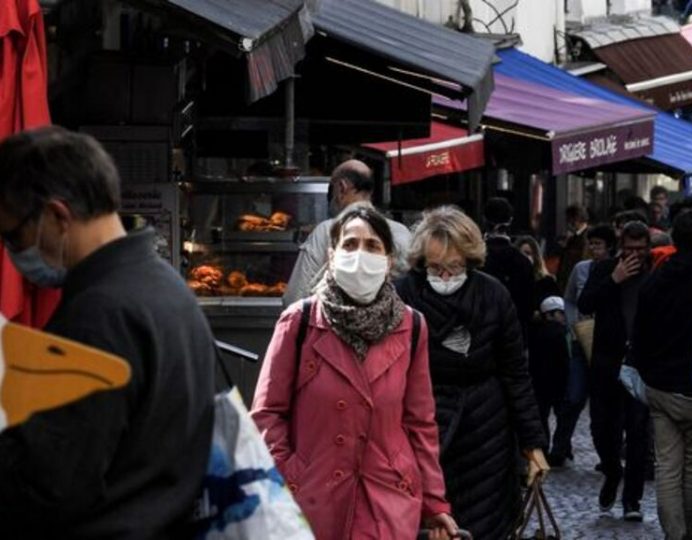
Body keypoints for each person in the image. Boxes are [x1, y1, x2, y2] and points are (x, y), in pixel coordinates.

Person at [0, 126, 216, 537]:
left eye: (13, 235)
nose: (12, 251)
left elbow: (51, 486)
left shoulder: (99, 316)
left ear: (57, 216)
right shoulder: (165, 287)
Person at [252, 205, 457, 540]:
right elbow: (267, 413)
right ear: (332, 256)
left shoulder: (411, 326)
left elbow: (420, 423)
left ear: (389, 260)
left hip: (386, 502)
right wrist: (288, 476)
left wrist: (435, 505)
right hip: (311, 501)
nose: (360, 254)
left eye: (372, 246)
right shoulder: (299, 321)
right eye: (350, 244)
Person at [396, 206, 548, 540]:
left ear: (469, 260)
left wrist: (532, 445)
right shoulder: (403, 295)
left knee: (485, 526)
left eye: (454, 267)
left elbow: (515, 373)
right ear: (422, 263)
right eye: (437, 268)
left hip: (487, 433)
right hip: (424, 430)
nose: (446, 277)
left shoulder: (493, 294)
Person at [631, 209, 692, 540]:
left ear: (675, 237)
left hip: (661, 387)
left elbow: (639, 335)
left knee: (668, 469)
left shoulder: (655, 280)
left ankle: (676, 534)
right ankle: (685, 532)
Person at [578, 221, 652, 521]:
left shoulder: (654, 273)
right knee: (601, 428)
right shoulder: (604, 269)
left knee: (637, 433)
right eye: (629, 249)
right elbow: (585, 303)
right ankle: (611, 470)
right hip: (606, 363)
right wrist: (614, 279)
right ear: (621, 247)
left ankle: (632, 500)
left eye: (640, 249)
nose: (635, 254)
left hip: (638, 364)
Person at [283, 159, 411, 305]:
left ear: (341, 187)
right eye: (350, 245)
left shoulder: (326, 231)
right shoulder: (401, 232)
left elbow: (294, 298)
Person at [550, 224, 616, 466]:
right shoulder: (581, 270)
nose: (593, 249)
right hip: (580, 340)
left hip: (606, 345)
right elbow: (569, 300)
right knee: (574, 396)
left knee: (605, 403)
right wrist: (572, 324)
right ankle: (560, 446)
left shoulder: (616, 271)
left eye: (598, 244)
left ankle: (608, 453)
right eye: (592, 244)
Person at [481, 197, 535, 338]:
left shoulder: (474, 261)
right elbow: (528, 307)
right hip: (514, 336)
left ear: (484, 220)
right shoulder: (523, 261)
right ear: (510, 221)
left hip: (480, 338)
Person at [528, 296, 571, 454]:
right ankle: (563, 449)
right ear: (550, 314)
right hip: (558, 382)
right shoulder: (561, 333)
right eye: (560, 313)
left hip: (539, 382)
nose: (563, 316)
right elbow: (564, 360)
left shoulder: (534, 332)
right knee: (563, 416)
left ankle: (544, 448)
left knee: (541, 417)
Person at [515, 235, 561, 309]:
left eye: (528, 253)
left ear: (535, 257)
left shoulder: (547, 283)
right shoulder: (511, 282)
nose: (525, 257)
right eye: (521, 254)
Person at [557, 204, 590, 290]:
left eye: (571, 221)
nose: (569, 224)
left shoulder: (586, 237)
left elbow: (583, 258)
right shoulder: (575, 236)